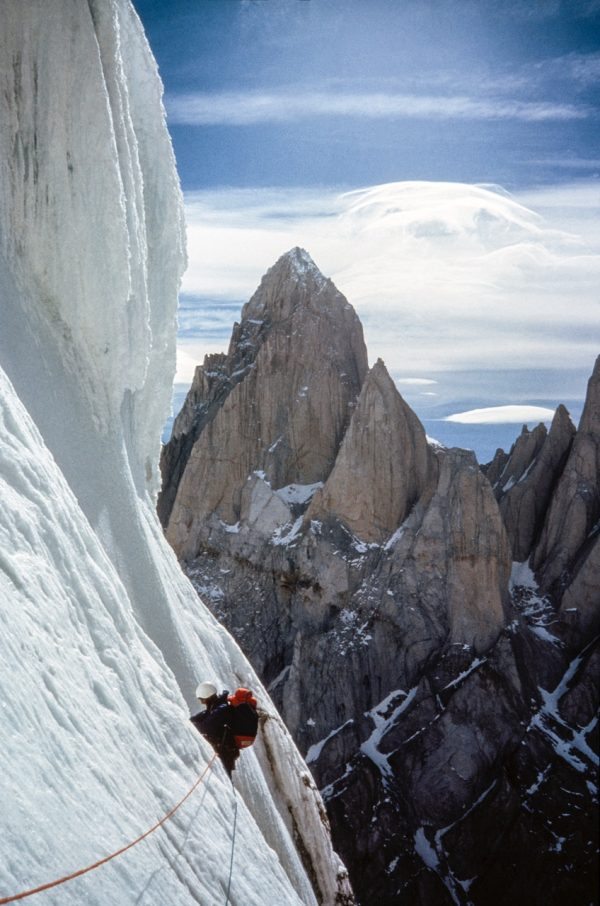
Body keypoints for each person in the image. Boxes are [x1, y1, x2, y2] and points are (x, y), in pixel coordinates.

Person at [190, 681, 258, 777]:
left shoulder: (221, 709)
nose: (201, 702)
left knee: (224, 776)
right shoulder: (218, 707)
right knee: (225, 776)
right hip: (227, 750)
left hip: (225, 751)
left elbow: (206, 727)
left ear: (207, 697)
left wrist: (190, 725)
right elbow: (204, 716)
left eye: (202, 699)